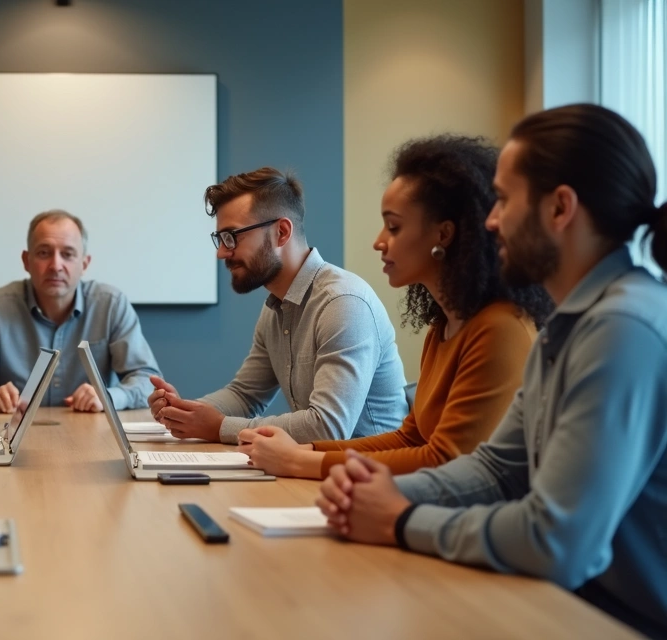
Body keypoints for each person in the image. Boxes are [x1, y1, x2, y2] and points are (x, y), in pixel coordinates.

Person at [317, 104, 667, 638]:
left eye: (504, 199)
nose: (490, 220)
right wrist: (385, 490)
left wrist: (401, 519)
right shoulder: (567, 326)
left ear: (560, 208)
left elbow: (555, 540)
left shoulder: (621, 329)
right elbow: (496, 469)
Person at [239, 136, 553, 478]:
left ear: (443, 235)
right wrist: (305, 450)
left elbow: (447, 461)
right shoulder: (443, 326)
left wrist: (299, 461)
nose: (379, 241)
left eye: (394, 227)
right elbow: (411, 438)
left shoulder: (499, 328)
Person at [150, 168, 407, 443]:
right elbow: (244, 395)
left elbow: (327, 428)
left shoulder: (343, 304)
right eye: (221, 239)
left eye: (232, 236)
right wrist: (184, 412)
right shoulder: (276, 308)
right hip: (319, 465)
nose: (222, 252)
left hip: (372, 467)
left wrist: (220, 427)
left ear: (281, 232)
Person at [0, 210, 162, 412]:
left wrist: (108, 397)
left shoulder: (111, 305)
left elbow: (148, 381)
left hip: (93, 432)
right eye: (44, 253)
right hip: (15, 433)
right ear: (26, 261)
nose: (55, 266)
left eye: (68, 254)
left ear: (84, 264)